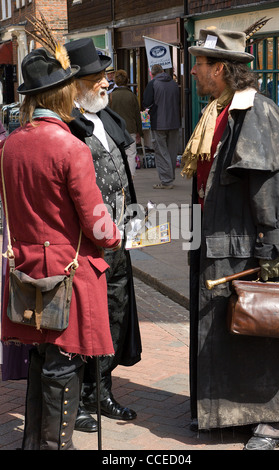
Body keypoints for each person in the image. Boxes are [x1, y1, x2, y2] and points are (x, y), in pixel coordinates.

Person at [0, 47, 121, 450]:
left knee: (41, 357)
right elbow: (97, 221)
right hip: (69, 272)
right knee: (64, 363)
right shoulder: (71, 147)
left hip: (27, 266)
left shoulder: (11, 144)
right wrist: (115, 236)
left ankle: (34, 442)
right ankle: (55, 446)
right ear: (58, 95)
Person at [183, 26, 279, 451]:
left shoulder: (256, 112)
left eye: (200, 63)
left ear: (223, 69)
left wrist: (273, 246)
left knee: (260, 326)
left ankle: (272, 422)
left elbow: (270, 184)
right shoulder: (219, 110)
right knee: (223, 332)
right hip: (215, 241)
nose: (193, 71)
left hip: (247, 245)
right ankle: (224, 412)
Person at [65, 38, 142, 431]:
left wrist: (134, 215)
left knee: (115, 314)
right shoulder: (66, 123)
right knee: (82, 320)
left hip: (117, 240)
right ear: (77, 84)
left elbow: (124, 173)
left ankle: (102, 392)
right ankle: (75, 399)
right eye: (98, 78)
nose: (105, 84)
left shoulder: (108, 117)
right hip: (83, 243)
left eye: (106, 76)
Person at [142, 64, 180, 189]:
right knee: (171, 151)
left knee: (161, 151)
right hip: (174, 121)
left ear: (152, 73)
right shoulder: (174, 84)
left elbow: (146, 102)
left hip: (159, 122)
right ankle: (170, 176)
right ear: (163, 71)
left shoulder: (153, 84)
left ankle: (166, 180)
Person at [110, 69, 143, 177]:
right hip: (131, 129)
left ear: (115, 81)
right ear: (127, 81)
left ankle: (120, 175)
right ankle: (131, 176)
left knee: (118, 153)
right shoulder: (132, 96)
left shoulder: (111, 96)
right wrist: (139, 131)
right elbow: (137, 115)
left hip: (116, 130)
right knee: (131, 154)